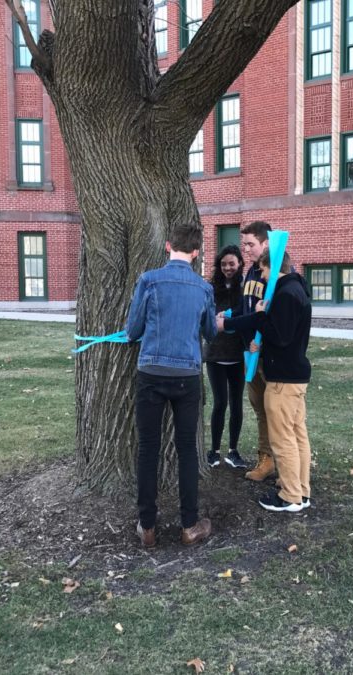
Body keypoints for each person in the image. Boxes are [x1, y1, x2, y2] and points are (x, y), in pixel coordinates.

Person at [125, 223, 216, 548]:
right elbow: (211, 332)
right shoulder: (204, 288)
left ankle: (147, 526)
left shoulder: (149, 280)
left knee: (148, 449)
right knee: (187, 450)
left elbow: (133, 330)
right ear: (196, 252)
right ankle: (189, 525)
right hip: (187, 376)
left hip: (151, 372)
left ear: (167, 246)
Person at [218, 249, 313, 513]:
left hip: (282, 379)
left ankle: (290, 495)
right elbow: (285, 335)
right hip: (294, 375)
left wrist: (260, 316)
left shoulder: (285, 294)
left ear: (273, 267)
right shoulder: (296, 289)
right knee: (297, 435)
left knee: (283, 439)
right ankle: (301, 490)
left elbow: (279, 335)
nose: (262, 274)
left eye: (263, 269)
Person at [232, 221, 276, 481]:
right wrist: (227, 316)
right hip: (249, 354)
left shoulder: (275, 274)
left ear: (266, 243)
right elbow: (245, 308)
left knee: (276, 410)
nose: (246, 250)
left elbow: (277, 319)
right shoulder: (250, 272)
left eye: (251, 244)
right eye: (244, 244)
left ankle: (281, 460)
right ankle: (266, 458)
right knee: (259, 408)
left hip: (268, 356)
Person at [203, 245, 248, 469]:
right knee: (220, 403)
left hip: (238, 354)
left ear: (240, 263)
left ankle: (233, 451)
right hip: (215, 354)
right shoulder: (210, 288)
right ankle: (214, 451)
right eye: (223, 264)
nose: (228, 268)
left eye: (232, 263)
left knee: (236, 403)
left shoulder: (245, 288)